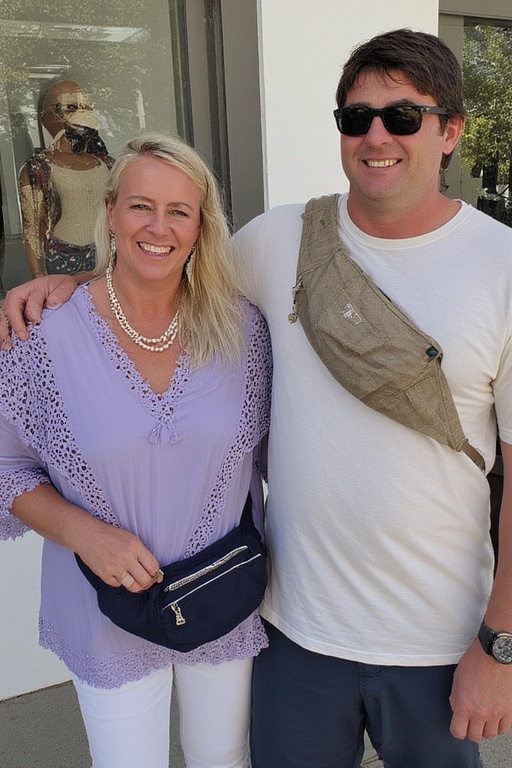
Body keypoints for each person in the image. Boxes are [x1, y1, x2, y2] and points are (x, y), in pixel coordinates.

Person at [3, 27, 512, 768]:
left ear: (451, 132)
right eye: (356, 117)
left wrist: (500, 645)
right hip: (291, 628)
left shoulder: (501, 267)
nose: (376, 136)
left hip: (437, 637)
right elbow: (162, 266)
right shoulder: (281, 241)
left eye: (403, 116)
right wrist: (70, 286)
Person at [0, 132, 271, 768]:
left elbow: (282, 457)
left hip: (220, 593)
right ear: (111, 211)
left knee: (222, 759)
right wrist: (88, 535)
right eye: (141, 206)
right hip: (104, 607)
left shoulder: (243, 330)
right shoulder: (43, 334)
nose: (158, 227)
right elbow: (6, 466)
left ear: (201, 227)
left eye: (179, 211)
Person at [18, 80, 113, 279]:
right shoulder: (38, 168)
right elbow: (32, 230)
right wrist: (39, 278)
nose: (82, 114)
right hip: (63, 260)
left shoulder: (107, 164)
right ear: (49, 116)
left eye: (86, 107)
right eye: (71, 107)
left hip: (108, 257)